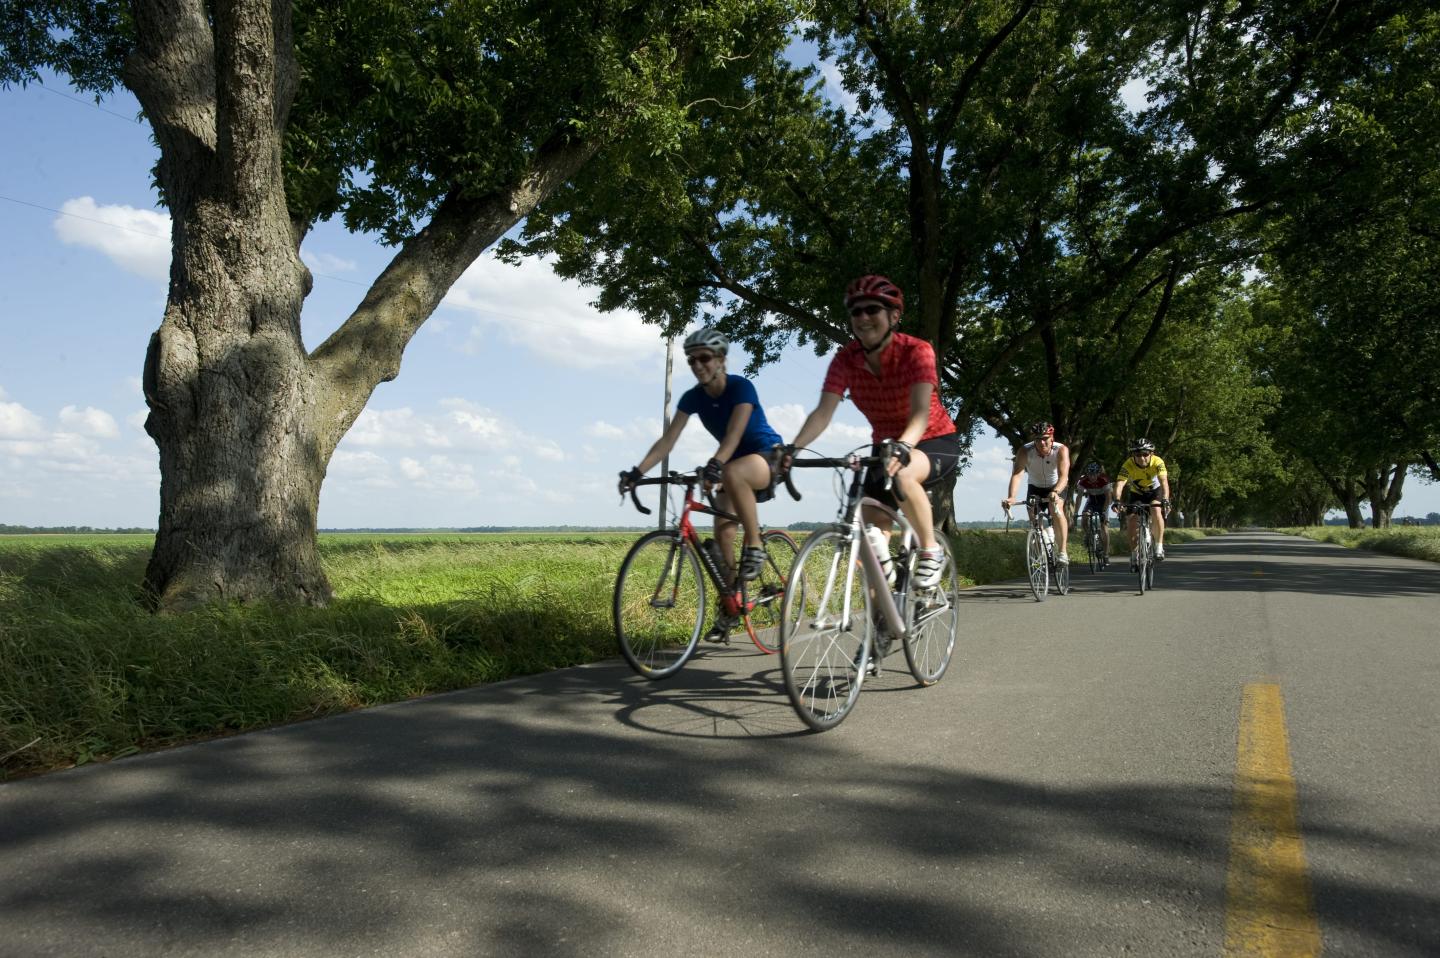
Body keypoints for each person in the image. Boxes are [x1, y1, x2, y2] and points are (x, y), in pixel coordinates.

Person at [784, 274, 963, 589]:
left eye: (872, 310)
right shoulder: (846, 359)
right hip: (886, 447)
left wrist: (905, 446)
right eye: (856, 312)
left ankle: (930, 552)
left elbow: (921, 412)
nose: (863, 318)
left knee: (904, 474)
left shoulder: (917, 350)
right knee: (868, 540)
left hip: (934, 439)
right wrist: (792, 449)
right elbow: (823, 412)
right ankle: (885, 621)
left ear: (893, 316)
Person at [618, 327, 785, 640]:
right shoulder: (692, 397)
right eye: (691, 360)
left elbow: (735, 435)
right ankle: (731, 604)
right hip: (729, 463)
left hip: (765, 456)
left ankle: (755, 545)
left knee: (734, 473)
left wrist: (715, 465)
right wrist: (637, 472)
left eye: (704, 358)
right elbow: (668, 440)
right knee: (722, 534)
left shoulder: (740, 387)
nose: (697, 365)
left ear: (721, 359)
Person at [1001, 422, 1072, 563]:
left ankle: (1063, 552)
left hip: (1056, 486)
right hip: (1035, 487)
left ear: (1052, 438)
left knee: (1056, 509)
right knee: (1034, 520)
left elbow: (1064, 476)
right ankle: (1042, 551)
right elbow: (1017, 475)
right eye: (1038, 439)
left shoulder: (1061, 450)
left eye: (1045, 438)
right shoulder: (1025, 451)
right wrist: (1012, 497)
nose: (1041, 442)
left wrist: (1056, 491)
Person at [1111, 438, 1171, 568]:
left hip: (1155, 492)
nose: (1142, 458)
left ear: (1151, 454)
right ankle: (1134, 554)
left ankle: (1159, 546)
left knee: (1155, 510)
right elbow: (1120, 484)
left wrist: (1165, 499)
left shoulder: (1158, 462)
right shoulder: (1128, 464)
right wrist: (1116, 500)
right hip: (1137, 494)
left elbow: (1164, 482)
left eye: (1145, 454)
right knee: (1131, 520)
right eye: (1138, 455)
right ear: (1133, 455)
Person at [1073, 460, 1113, 566]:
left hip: (1103, 502)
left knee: (1104, 526)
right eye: (1090, 474)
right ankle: (1088, 534)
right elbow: (1079, 497)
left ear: (1098, 473)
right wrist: (1076, 512)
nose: (1092, 476)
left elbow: (1109, 497)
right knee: (1085, 517)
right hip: (1091, 501)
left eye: (1094, 474)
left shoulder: (1104, 480)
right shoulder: (1083, 481)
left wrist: (1104, 512)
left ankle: (1106, 555)